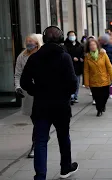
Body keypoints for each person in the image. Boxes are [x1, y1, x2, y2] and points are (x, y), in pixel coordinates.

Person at [20, 26, 78, 180]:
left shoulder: (34, 57)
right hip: (61, 105)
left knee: (40, 141)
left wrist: (36, 91)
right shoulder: (64, 57)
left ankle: (40, 175)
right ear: (60, 38)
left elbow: (24, 81)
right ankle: (65, 168)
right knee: (63, 137)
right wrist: (65, 94)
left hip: (41, 105)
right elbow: (73, 83)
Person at [14, 34, 43, 158]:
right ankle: (42, 136)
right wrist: (17, 87)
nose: (29, 44)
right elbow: (18, 74)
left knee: (38, 120)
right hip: (29, 92)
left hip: (42, 92)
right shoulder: (22, 56)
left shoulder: (42, 55)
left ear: (37, 43)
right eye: (27, 42)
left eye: (31, 41)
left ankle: (35, 145)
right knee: (34, 118)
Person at [84, 39, 112, 117]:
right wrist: (86, 83)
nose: (92, 46)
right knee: (96, 96)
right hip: (93, 81)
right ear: (88, 47)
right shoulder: (87, 57)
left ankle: (103, 105)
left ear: (97, 45)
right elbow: (86, 71)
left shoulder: (103, 54)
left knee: (105, 95)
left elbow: (109, 67)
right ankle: (99, 109)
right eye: (90, 45)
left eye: (94, 45)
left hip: (104, 79)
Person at [64, 31, 84, 104]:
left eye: (73, 35)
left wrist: (81, 58)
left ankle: (75, 96)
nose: (72, 36)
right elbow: (65, 54)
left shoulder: (79, 45)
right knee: (70, 81)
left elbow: (83, 54)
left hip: (78, 66)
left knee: (77, 82)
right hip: (69, 66)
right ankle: (71, 96)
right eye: (70, 35)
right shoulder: (65, 45)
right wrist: (72, 58)